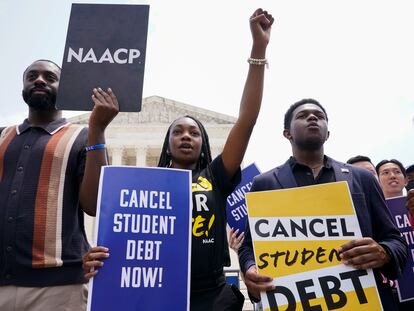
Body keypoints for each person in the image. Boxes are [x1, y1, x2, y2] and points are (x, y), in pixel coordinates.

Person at [82, 8, 274, 311]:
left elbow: (246, 120)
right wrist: (95, 256)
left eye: (195, 133)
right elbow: (106, 218)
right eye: (178, 132)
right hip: (153, 292)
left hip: (211, 297)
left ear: (204, 143)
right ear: (167, 145)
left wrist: (258, 49)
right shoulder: (141, 187)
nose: (187, 136)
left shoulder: (214, 177)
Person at [238, 99, 408, 311]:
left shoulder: (362, 178)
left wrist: (384, 252)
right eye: (302, 116)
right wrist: (250, 269)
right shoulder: (265, 183)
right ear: (287, 133)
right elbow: (249, 247)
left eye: (319, 116)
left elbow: (396, 241)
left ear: (328, 133)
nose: (312, 118)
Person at [0, 60, 119, 311]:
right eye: (32, 76)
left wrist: (96, 129)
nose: (40, 80)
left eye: (50, 77)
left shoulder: (82, 136)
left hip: (58, 288)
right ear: (23, 86)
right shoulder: (2, 136)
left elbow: (94, 204)